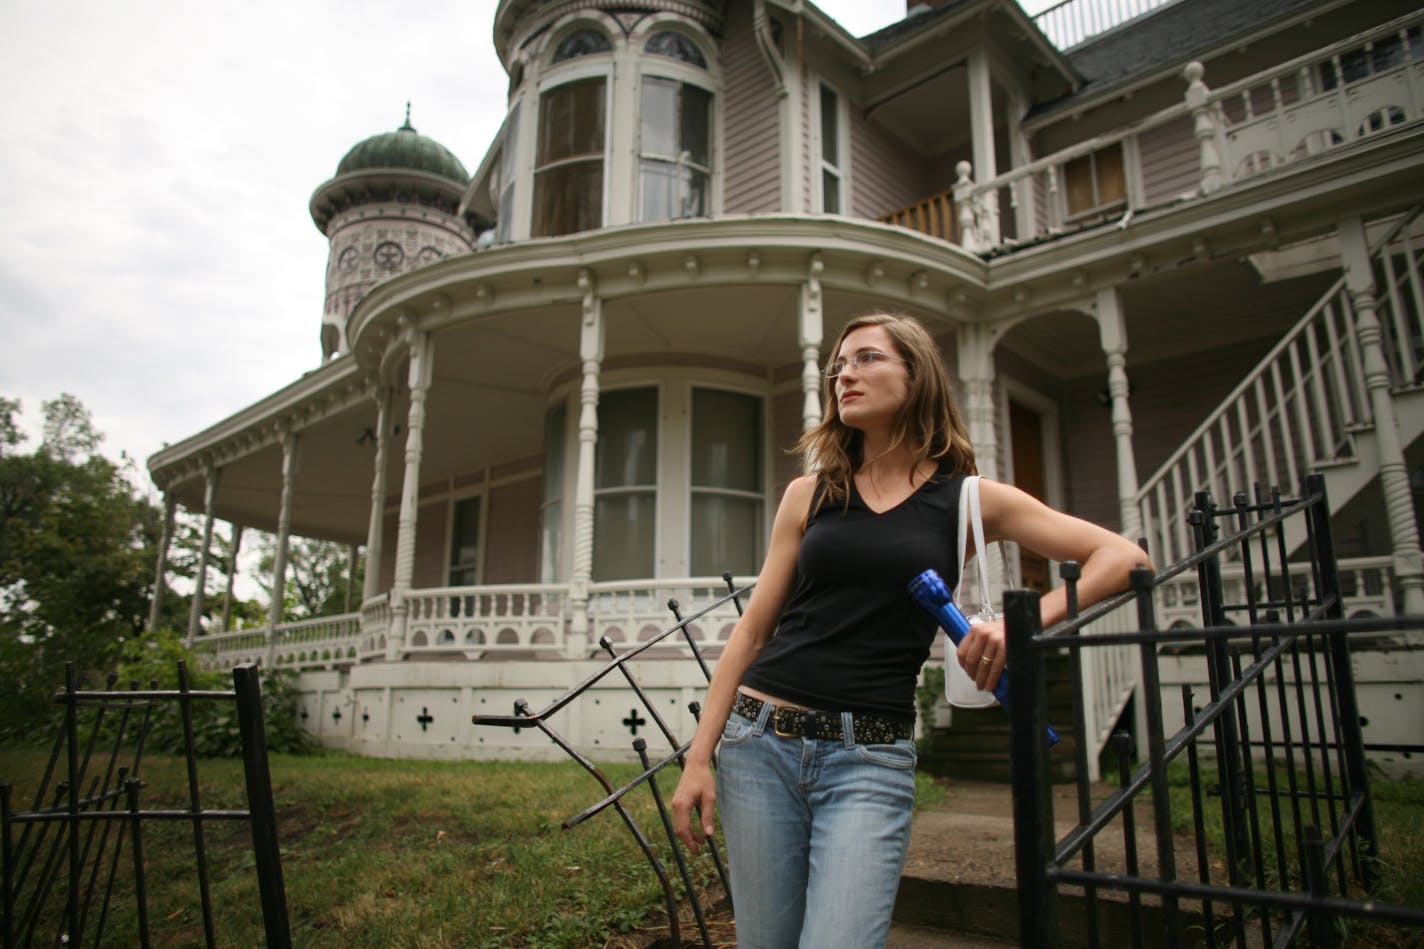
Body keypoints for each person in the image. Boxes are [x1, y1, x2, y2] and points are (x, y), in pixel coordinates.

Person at [669, 311, 1150, 949]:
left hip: (868, 759)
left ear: (916, 374)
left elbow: (1124, 559)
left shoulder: (970, 499)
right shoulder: (807, 495)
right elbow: (754, 630)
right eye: (839, 365)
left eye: (867, 358)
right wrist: (699, 757)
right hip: (760, 745)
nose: (846, 374)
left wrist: (1021, 624)